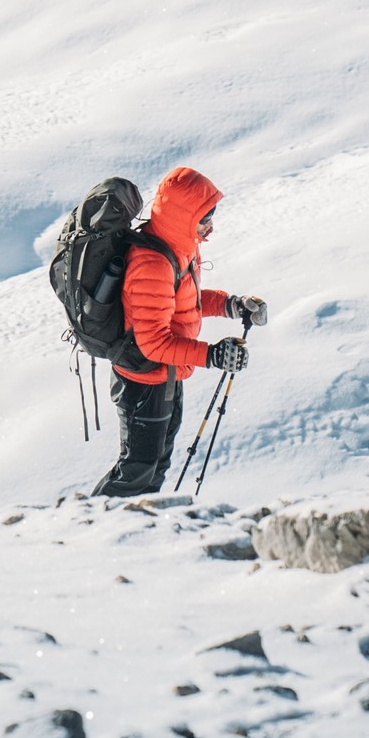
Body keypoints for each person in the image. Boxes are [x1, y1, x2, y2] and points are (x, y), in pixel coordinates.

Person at [92, 168, 264, 499]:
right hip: (143, 380)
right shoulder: (152, 263)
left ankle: (139, 531)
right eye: (204, 216)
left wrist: (233, 305)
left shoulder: (182, 247)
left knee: (156, 466)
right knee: (136, 469)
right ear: (183, 216)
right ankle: (87, 527)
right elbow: (153, 342)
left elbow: (184, 301)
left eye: (212, 214)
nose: (211, 224)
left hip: (167, 374)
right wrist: (211, 355)